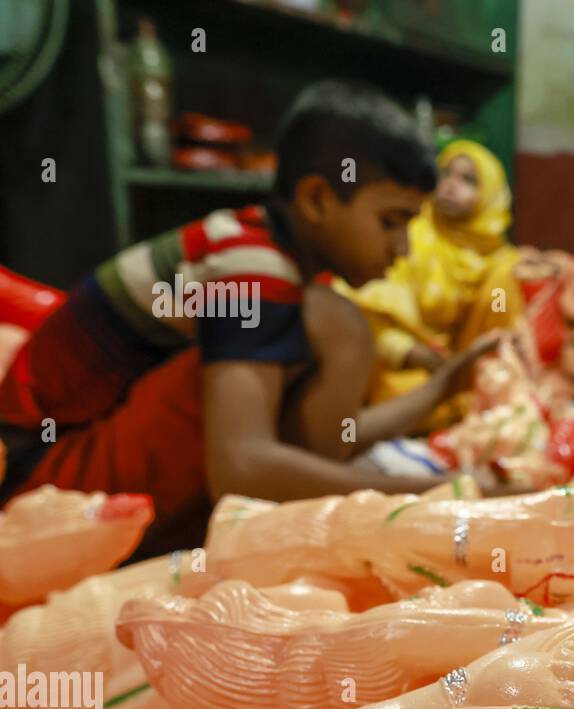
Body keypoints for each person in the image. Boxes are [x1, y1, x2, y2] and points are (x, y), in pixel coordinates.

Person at [0, 82, 499, 555]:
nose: (403, 248)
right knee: (337, 323)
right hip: (42, 483)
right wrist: (444, 492)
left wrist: (439, 390)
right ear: (317, 199)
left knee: (327, 327)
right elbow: (241, 467)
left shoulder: (280, 267)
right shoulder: (250, 265)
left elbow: (321, 441)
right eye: (390, 222)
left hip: (74, 461)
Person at [342, 139, 526, 432]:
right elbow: (366, 304)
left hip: (457, 367)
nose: (452, 186)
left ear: (492, 195)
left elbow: (499, 331)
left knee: (504, 280)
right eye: (446, 174)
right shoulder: (413, 233)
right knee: (400, 392)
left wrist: (461, 368)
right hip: (399, 364)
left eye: (468, 180)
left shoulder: (499, 260)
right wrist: (409, 352)